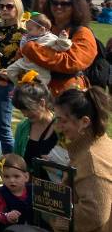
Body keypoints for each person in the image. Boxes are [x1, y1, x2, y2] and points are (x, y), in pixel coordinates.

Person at [53, 87, 112, 232]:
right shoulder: (98, 144)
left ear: (84, 122)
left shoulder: (92, 162)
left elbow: (95, 215)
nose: (58, 127)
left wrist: (60, 221)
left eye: (63, 121)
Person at [20, 0, 97, 96]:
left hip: (68, 94)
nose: (58, 7)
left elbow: (72, 62)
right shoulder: (42, 28)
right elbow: (22, 55)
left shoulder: (83, 33)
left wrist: (32, 49)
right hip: (38, 93)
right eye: (54, 3)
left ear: (75, 6)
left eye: (65, 4)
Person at [0, 0, 28, 155]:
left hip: (4, 83)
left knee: (3, 128)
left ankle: (14, 166)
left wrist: (9, 75)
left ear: (18, 9)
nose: (4, 9)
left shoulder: (24, 33)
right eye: (1, 6)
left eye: (9, 6)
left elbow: (24, 60)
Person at [4, 12, 72, 85]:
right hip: (24, 62)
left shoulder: (50, 38)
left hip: (39, 66)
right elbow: (22, 49)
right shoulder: (28, 37)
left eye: (30, 29)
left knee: (43, 81)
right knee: (10, 70)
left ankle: (39, 92)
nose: (27, 32)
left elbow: (62, 47)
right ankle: (19, 86)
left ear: (42, 29)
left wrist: (63, 38)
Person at [12, 78, 62, 170]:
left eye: (28, 109)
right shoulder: (22, 127)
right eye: (22, 111)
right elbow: (17, 161)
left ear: (42, 103)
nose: (25, 114)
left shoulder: (62, 126)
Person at [0, 154, 33, 232]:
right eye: (6, 176)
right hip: (7, 229)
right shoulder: (0, 194)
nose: (11, 180)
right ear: (2, 177)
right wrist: (8, 216)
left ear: (26, 177)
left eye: (16, 176)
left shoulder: (32, 190)